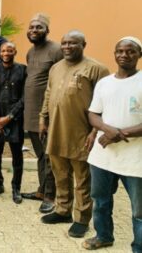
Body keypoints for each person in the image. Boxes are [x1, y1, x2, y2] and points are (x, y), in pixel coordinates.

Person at [39, 30, 109, 237]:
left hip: (81, 133)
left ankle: (82, 218)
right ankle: (62, 210)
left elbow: (105, 104)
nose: (67, 47)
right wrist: (42, 118)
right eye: (64, 43)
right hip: (56, 131)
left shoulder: (97, 69)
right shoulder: (55, 68)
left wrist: (95, 131)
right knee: (60, 174)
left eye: (73, 43)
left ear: (83, 45)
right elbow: (48, 93)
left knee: (82, 179)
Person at [82, 36, 142, 252]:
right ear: (114, 54)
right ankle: (103, 236)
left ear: (139, 55)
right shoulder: (104, 83)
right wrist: (109, 131)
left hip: (135, 159)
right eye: (120, 51)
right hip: (103, 156)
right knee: (100, 200)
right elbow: (93, 114)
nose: (124, 55)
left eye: (130, 51)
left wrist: (117, 134)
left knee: (139, 210)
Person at [21, 13, 63, 213]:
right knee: (39, 154)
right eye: (31, 27)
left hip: (46, 113)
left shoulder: (56, 50)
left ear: (47, 30)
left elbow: (60, 79)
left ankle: (50, 195)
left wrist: (47, 114)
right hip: (31, 112)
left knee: (48, 155)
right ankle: (41, 190)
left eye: (39, 27)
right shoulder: (30, 52)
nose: (34, 30)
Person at [0, 42, 27, 203]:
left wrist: (9, 117)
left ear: (15, 51)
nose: (6, 53)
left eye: (9, 50)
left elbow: (25, 97)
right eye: (3, 50)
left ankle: (16, 187)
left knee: (17, 155)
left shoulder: (23, 70)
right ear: (0, 52)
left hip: (15, 118)